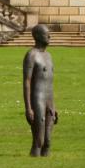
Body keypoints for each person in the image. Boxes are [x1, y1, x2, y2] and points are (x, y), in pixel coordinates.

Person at [23, 24, 58, 157]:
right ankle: (33, 164)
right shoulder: (31, 55)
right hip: (37, 100)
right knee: (39, 140)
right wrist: (28, 108)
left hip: (48, 100)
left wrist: (54, 106)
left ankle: (45, 167)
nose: (50, 36)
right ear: (37, 36)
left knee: (48, 141)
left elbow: (49, 83)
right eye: (46, 34)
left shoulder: (48, 56)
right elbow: (26, 82)